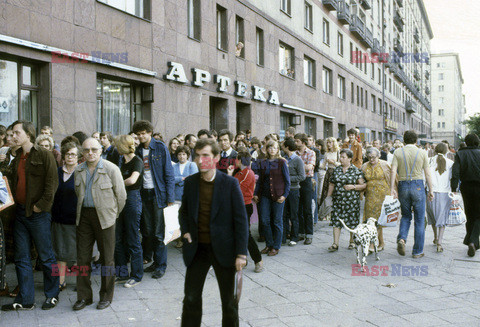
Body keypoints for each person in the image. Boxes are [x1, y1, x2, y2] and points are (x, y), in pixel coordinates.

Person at [179, 138, 248, 327]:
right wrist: (185, 231)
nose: (201, 160)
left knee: (229, 302)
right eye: (197, 156)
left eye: (206, 156)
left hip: (224, 249)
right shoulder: (191, 183)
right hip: (197, 249)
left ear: (216, 158)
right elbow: (183, 211)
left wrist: (241, 253)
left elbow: (241, 221)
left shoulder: (229, 184)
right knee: (191, 298)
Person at [2, 120, 59, 311]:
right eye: (11, 134)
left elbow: (52, 184)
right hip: (19, 213)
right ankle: (26, 299)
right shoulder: (16, 155)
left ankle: (52, 295)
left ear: (29, 134)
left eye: (16, 133)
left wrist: (40, 206)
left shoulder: (44, 154)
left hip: (38, 215)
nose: (12, 137)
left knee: (46, 256)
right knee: (21, 257)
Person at [73, 138, 126, 311]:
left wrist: (112, 214)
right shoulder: (79, 170)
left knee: (107, 259)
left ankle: (106, 296)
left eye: (94, 149)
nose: (90, 153)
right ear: (82, 152)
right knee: (82, 258)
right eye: (86, 150)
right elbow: (77, 192)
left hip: (106, 218)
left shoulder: (111, 169)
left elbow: (121, 196)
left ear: (101, 150)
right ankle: (83, 297)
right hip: (84, 217)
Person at [133, 120, 175, 278]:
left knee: (159, 232)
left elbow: (169, 173)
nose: (141, 136)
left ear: (149, 132)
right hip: (144, 194)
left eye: (144, 133)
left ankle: (161, 266)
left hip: (159, 195)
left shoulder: (160, 147)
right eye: (138, 134)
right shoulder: (137, 150)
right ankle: (155, 262)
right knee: (148, 231)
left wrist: (170, 198)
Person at [391, 130, 433, 259]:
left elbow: (393, 171)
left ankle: (402, 239)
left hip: (403, 185)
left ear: (404, 140)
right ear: (416, 141)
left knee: (405, 216)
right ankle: (417, 251)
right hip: (418, 185)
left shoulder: (398, 152)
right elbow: (427, 173)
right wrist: (431, 189)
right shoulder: (422, 152)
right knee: (420, 219)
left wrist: (392, 187)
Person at [114, 135, 144, 288]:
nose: (115, 147)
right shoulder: (121, 161)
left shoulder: (137, 161)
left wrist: (116, 183)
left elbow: (132, 180)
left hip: (132, 199)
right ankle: (122, 273)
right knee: (117, 238)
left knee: (133, 238)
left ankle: (137, 275)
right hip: (121, 199)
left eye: (117, 145)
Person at [227, 147, 264, 272]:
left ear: (240, 160)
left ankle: (258, 260)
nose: (235, 161)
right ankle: (243, 259)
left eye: (236, 159)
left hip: (244, 206)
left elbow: (235, 189)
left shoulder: (248, 173)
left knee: (245, 235)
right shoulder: (240, 173)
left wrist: (229, 176)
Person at [51, 142, 81, 291]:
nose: (70, 157)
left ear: (78, 157)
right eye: (68, 154)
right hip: (58, 219)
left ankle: (81, 282)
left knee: (80, 252)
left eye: (73, 154)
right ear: (63, 156)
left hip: (77, 219)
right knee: (59, 252)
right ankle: (60, 281)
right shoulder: (57, 172)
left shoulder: (82, 172)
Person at [253, 141, 290, 256]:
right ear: (267, 149)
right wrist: (256, 193)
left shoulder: (282, 162)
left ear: (278, 149)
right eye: (270, 147)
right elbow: (260, 180)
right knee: (264, 220)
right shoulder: (263, 162)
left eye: (274, 148)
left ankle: (276, 246)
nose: (272, 150)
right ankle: (269, 244)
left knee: (277, 221)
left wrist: (284, 195)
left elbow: (287, 181)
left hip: (278, 195)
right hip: (265, 195)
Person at [326, 149, 366, 251]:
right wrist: (328, 197)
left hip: (351, 201)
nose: (341, 159)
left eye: (343, 157)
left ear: (349, 159)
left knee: (352, 222)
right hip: (338, 200)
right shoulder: (337, 170)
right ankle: (335, 243)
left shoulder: (356, 171)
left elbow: (364, 185)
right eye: (340, 157)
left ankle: (352, 242)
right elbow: (332, 184)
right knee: (336, 221)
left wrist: (353, 186)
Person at [361, 147, 396, 252]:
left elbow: (392, 179)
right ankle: (381, 242)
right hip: (370, 196)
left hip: (383, 195)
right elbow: (361, 180)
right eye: (369, 157)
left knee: (378, 220)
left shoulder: (385, 165)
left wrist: (393, 191)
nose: (371, 160)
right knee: (370, 220)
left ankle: (372, 244)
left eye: (373, 157)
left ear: (379, 156)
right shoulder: (364, 166)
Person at [451, 133, 480, 257]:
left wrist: (454, 188)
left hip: (466, 187)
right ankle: (473, 241)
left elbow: (455, 172)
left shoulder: (460, 154)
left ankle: (470, 242)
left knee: (470, 214)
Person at [426, 143, 453, 253]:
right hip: (445, 192)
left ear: (435, 150)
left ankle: (435, 236)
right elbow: (451, 178)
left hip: (431, 191)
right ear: (446, 151)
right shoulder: (450, 163)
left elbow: (426, 177)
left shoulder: (429, 161)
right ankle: (440, 242)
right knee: (442, 216)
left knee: (432, 215)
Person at [281, 138, 305, 246]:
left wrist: (287, 178)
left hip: (294, 190)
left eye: (283, 146)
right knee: (283, 214)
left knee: (293, 214)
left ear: (287, 147)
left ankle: (294, 237)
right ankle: (284, 236)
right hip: (284, 190)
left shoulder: (297, 159)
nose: (281, 147)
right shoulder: (283, 158)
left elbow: (302, 176)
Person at [294, 133, 315, 244]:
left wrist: (297, 167)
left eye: (297, 141)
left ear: (303, 142)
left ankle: (309, 234)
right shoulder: (295, 153)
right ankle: (300, 233)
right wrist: (302, 167)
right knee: (298, 209)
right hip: (297, 181)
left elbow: (309, 167)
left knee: (307, 209)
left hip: (306, 181)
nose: (295, 143)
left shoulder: (311, 152)